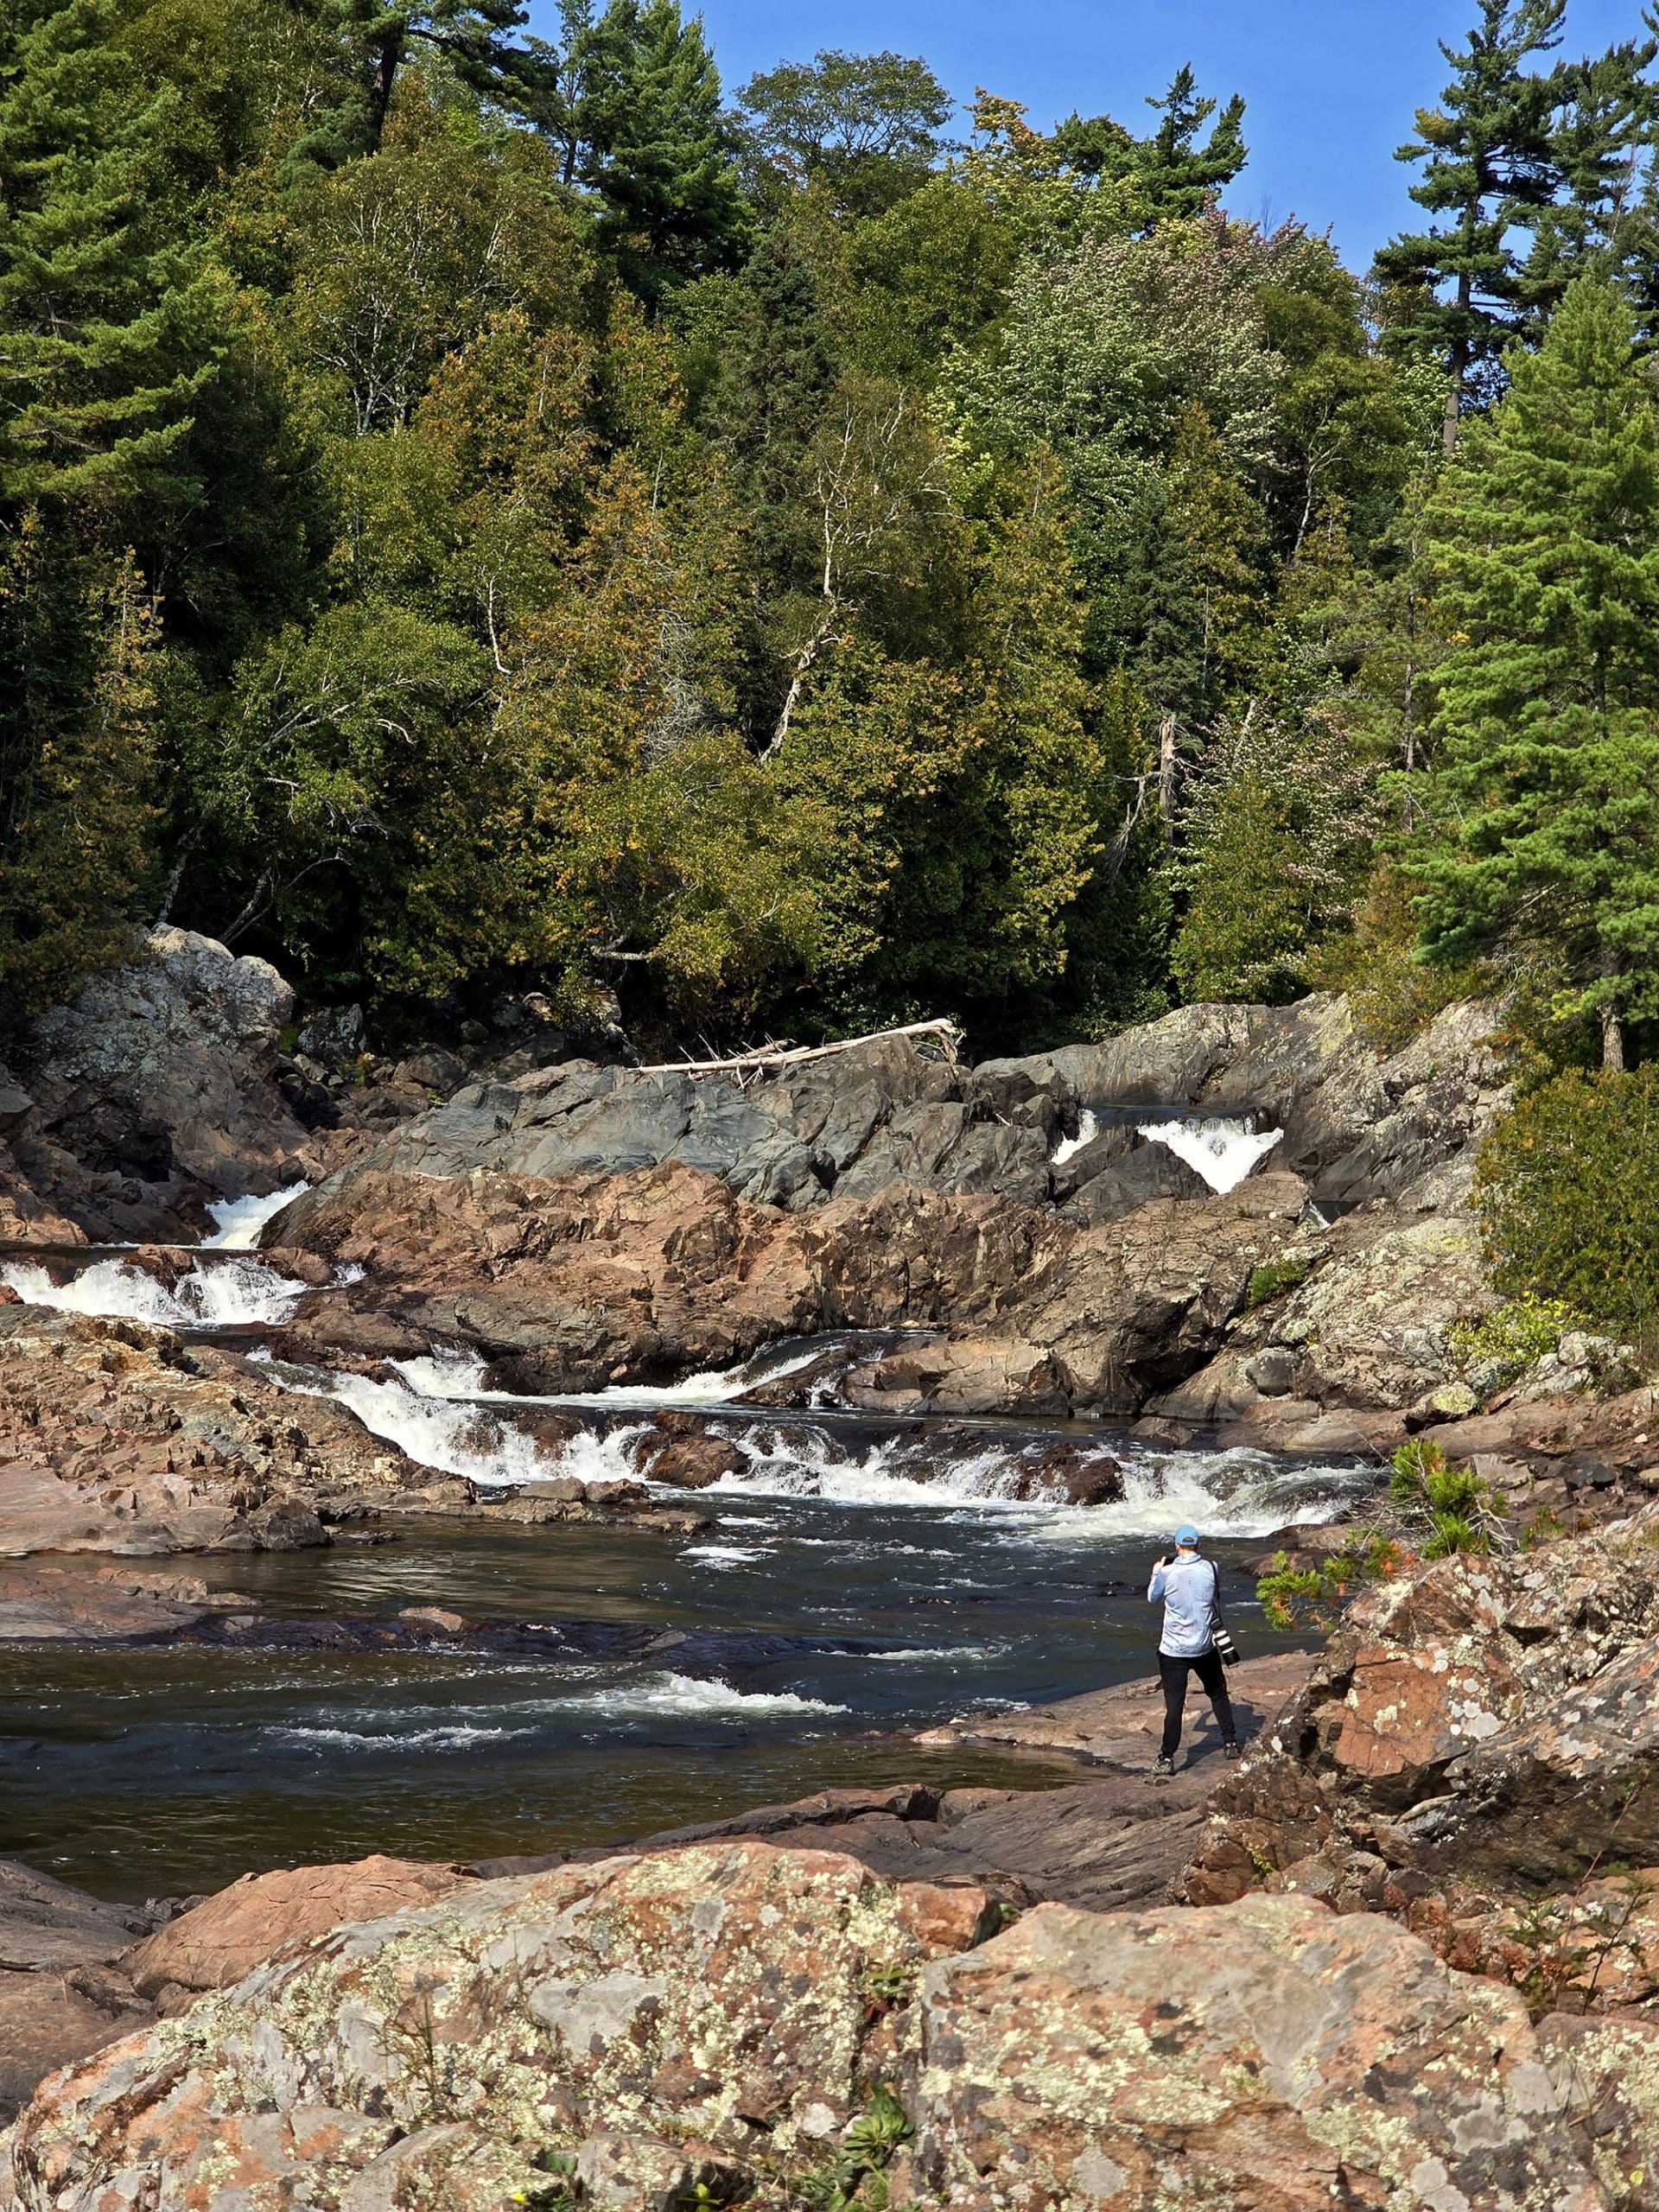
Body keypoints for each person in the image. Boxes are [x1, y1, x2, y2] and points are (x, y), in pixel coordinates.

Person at [1147, 1524, 1238, 1776]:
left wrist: (1156, 1572)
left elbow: (1153, 1598)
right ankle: (1230, 1743)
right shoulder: (1212, 1568)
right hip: (1204, 1646)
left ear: (1177, 1546)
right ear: (1198, 1546)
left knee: (1175, 1705)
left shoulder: (1167, 1572)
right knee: (1218, 1694)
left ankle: (1166, 1758)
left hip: (1173, 1649)